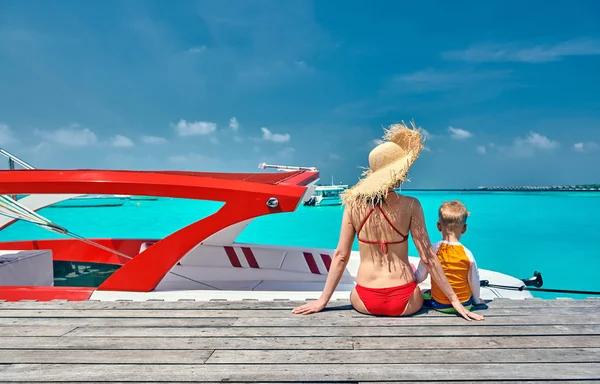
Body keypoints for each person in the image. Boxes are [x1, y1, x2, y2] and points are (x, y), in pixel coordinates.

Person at [292, 122, 484, 321]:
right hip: (406, 300)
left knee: (355, 291)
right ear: (398, 173)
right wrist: (455, 301)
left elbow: (341, 256)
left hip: (365, 300)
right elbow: (428, 256)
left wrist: (322, 301)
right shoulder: (411, 205)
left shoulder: (353, 205)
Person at [414, 200, 486, 313]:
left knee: (423, 292)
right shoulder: (467, 254)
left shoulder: (432, 250)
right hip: (465, 304)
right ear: (464, 229)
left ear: (439, 226)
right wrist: (476, 300)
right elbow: (474, 282)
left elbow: (420, 277)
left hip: (439, 304)